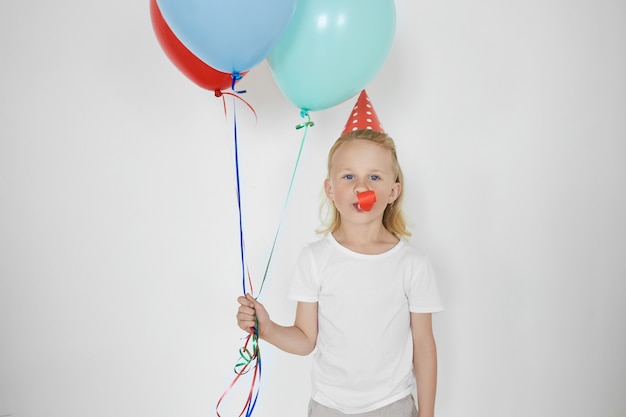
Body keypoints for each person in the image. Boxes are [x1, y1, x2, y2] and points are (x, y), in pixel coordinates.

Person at [237, 90, 444, 417]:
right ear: (330, 189)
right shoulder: (315, 259)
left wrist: (427, 414)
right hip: (328, 408)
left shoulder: (412, 265)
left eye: (374, 177)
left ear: (393, 191)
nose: (361, 188)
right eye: (349, 177)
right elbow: (306, 339)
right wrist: (269, 328)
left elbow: (424, 347)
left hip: (392, 406)